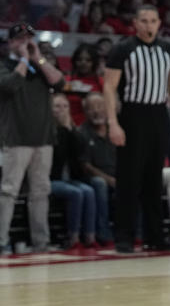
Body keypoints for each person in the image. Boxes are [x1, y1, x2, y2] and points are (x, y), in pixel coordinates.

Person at [103, 6, 170, 253]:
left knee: (154, 179)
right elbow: (109, 87)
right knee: (129, 180)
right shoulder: (123, 49)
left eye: (153, 21)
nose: (149, 25)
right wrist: (113, 122)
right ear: (135, 23)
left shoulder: (167, 49)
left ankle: (155, 235)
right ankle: (125, 236)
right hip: (133, 115)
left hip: (159, 116)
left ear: (159, 22)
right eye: (143, 21)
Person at [0, 22, 65, 254]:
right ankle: (1, 241)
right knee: (8, 191)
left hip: (43, 138)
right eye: (20, 39)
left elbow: (59, 83)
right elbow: (9, 86)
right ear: (10, 42)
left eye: (29, 38)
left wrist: (37, 58)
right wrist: (24, 60)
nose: (25, 43)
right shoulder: (4, 66)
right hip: (16, 139)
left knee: (40, 192)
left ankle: (41, 242)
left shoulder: (40, 67)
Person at [50, 92, 98, 248]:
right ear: (50, 109)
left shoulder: (74, 131)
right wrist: (64, 130)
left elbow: (79, 154)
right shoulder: (47, 132)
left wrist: (69, 129)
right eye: (57, 106)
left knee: (89, 191)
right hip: (52, 179)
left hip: (71, 178)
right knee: (76, 193)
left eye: (65, 106)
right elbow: (58, 156)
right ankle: (73, 237)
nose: (62, 110)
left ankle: (90, 237)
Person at [79, 92, 115, 244]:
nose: (96, 111)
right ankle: (103, 234)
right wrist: (108, 179)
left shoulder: (115, 130)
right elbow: (85, 165)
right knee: (100, 184)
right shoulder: (81, 133)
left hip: (116, 175)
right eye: (91, 108)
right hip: (92, 178)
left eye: (100, 106)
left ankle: (138, 233)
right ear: (85, 112)